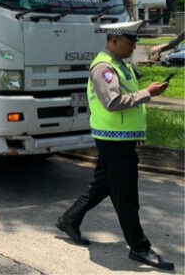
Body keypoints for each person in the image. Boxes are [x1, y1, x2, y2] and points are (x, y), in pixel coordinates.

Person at [57, 21, 174, 271]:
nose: (133, 47)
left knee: (103, 184)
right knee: (126, 196)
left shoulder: (121, 65)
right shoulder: (104, 68)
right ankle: (140, 248)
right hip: (113, 140)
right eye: (130, 43)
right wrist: (148, 93)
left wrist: (136, 131)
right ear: (114, 41)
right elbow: (113, 102)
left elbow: (129, 100)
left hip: (121, 137)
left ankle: (69, 219)